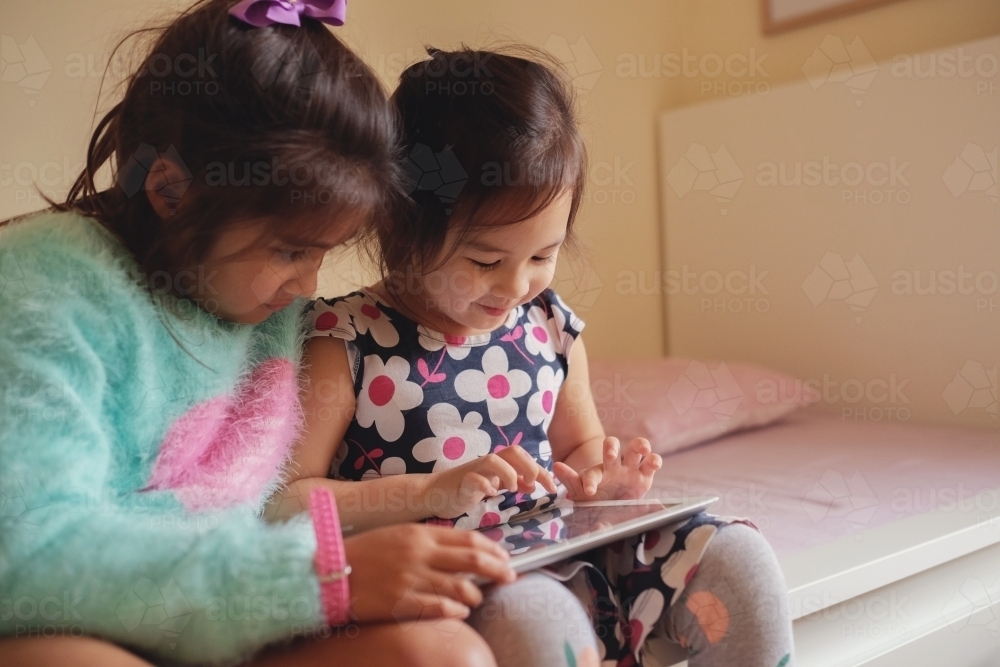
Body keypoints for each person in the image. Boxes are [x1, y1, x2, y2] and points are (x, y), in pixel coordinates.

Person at [0, 3, 518, 666]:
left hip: (226, 618)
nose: (307, 286)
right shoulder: (45, 287)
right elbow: (30, 548)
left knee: (448, 653)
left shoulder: (269, 316)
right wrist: (324, 575)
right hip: (71, 618)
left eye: (324, 253)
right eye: (289, 251)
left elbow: (268, 504)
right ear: (171, 190)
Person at [281, 47, 796, 667]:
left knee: (742, 564)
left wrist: (606, 479)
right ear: (397, 224)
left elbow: (579, 453)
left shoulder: (548, 325)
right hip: (458, 578)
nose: (516, 286)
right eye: (485, 261)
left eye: (542, 255)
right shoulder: (346, 340)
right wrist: (429, 492)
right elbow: (283, 502)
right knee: (540, 622)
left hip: (572, 552)